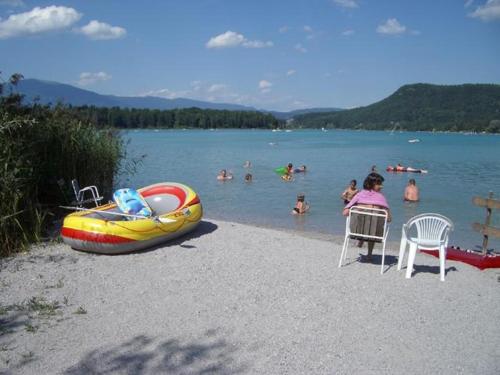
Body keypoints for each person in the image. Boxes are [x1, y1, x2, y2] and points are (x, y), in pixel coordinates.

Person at [342, 172, 391, 261]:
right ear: (371, 184)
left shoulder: (359, 195)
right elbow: (389, 219)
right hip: (375, 234)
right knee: (373, 224)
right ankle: (369, 254)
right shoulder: (381, 198)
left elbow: (345, 213)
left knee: (365, 219)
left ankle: (361, 240)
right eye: (379, 184)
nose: (381, 186)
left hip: (355, 231)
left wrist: (357, 209)